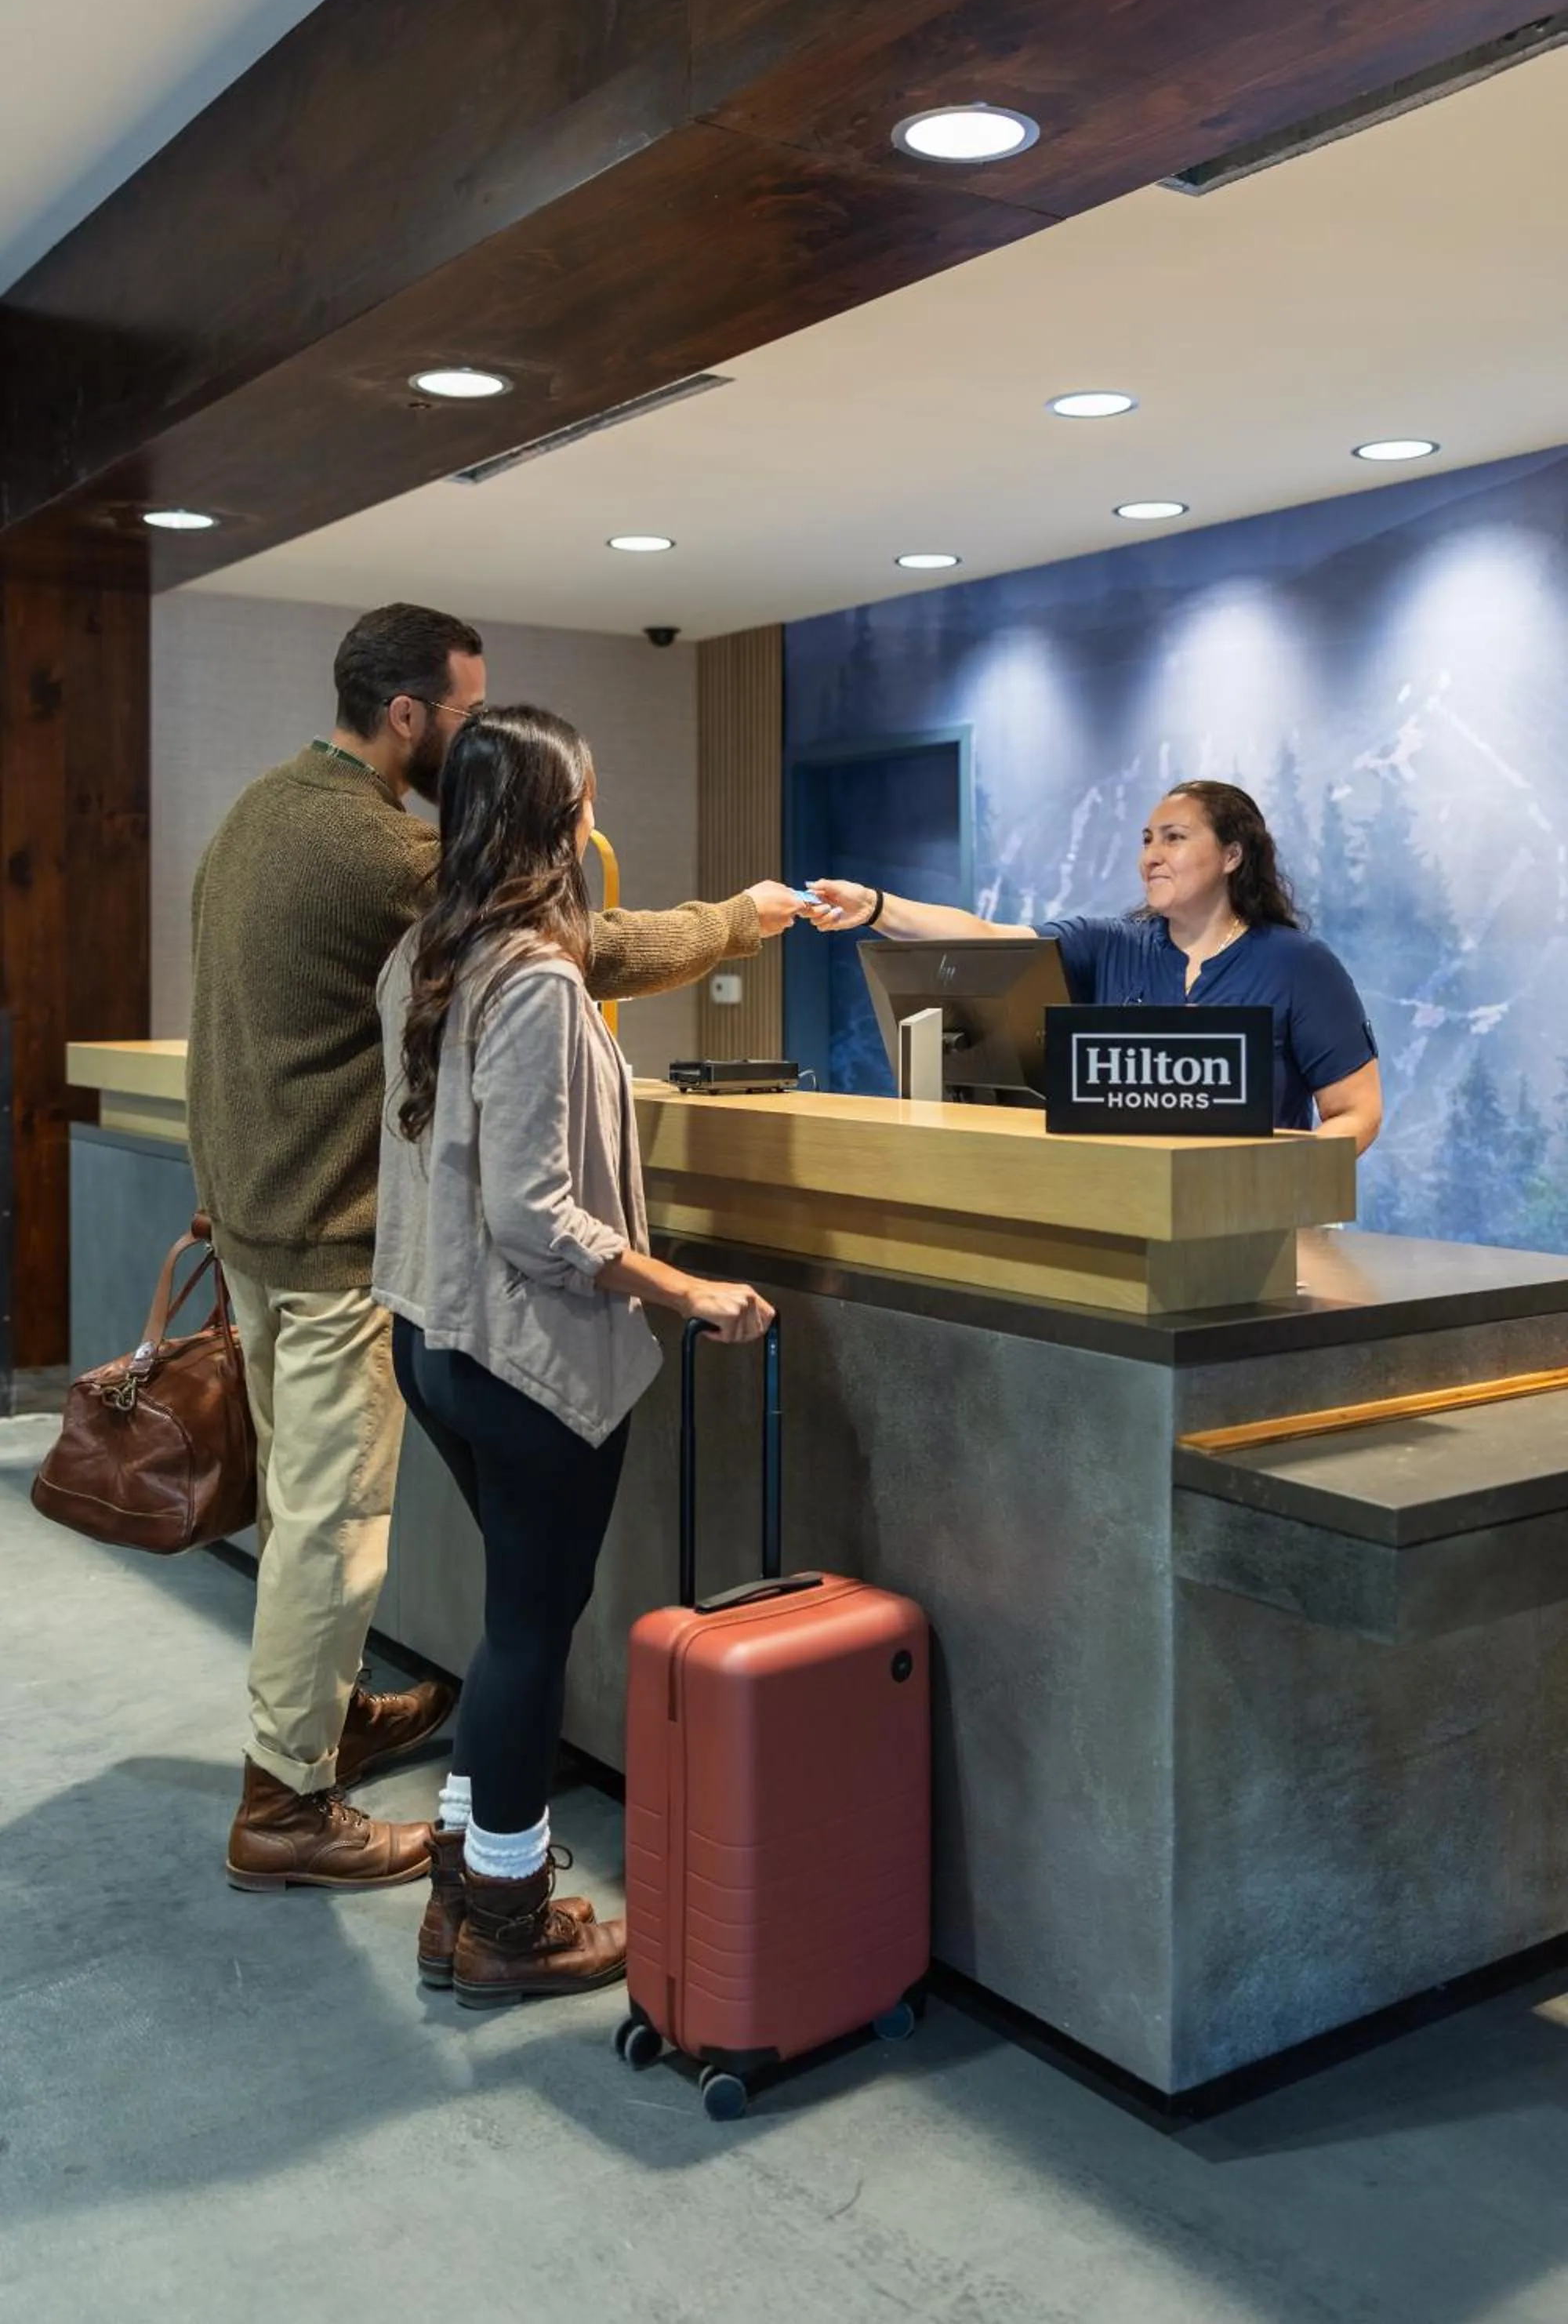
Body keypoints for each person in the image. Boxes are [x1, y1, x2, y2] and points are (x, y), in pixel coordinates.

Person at [188, 604, 799, 1893]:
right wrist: (743, 918)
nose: (474, 739)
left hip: (258, 1218)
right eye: (467, 713)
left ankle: (329, 1724)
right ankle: (287, 1803)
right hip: (344, 1244)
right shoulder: (409, 876)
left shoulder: (261, 812)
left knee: (328, 1525)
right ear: (406, 716)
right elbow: (585, 953)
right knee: (333, 1527)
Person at [374, 704, 775, 2003]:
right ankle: (506, 1916)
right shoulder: (537, 985)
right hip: (519, 1357)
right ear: (561, 822)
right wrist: (685, 1288)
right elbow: (536, 1215)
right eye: (588, 802)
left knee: (509, 1628)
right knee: (530, 1635)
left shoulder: (433, 959)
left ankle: (461, 1889)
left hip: (433, 1339)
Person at [805, 778, 1381, 1155]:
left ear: (1233, 855)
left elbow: (1357, 1112)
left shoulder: (1299, 965)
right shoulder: (1109, 946)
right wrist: (876, 907)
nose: (1152, 855)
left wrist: (1287, 1180)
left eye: (1175, 839)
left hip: (1264, 1231)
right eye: (1148, 839)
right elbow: (984, 937)